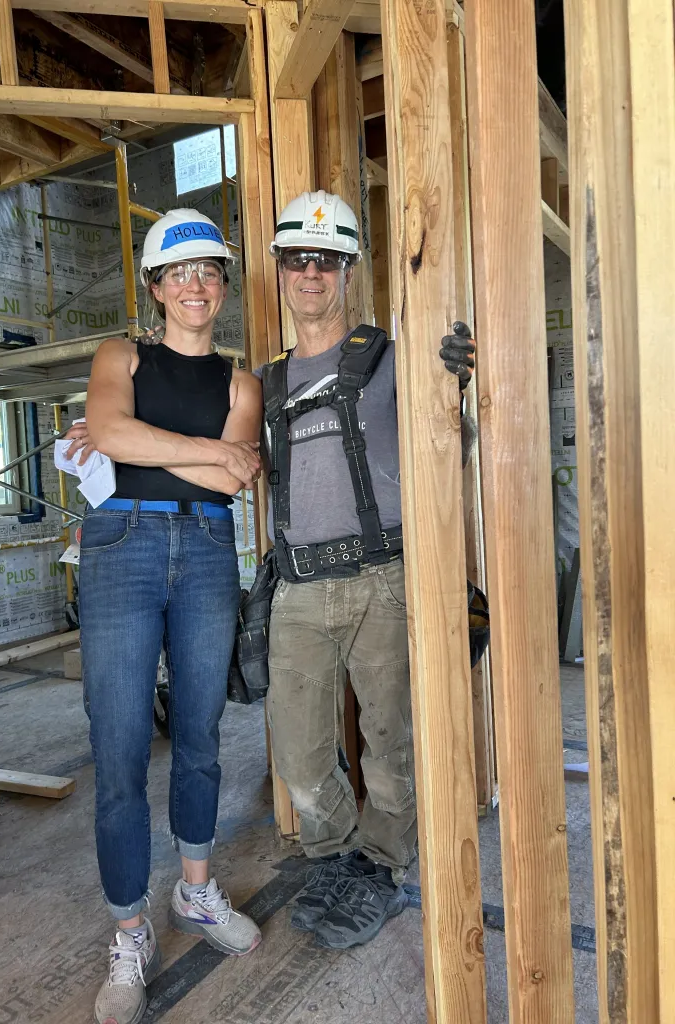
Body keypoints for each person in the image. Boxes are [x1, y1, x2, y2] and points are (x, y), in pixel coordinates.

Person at [261, 190, 476, 950]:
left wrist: (456, 383)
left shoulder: (391, 359)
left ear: (349, 269)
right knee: (299, 751)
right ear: (280, 268)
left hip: (382, 581)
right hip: (296, 590)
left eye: (327, 259)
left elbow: (455, 443)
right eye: (297, 258)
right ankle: (333, 855)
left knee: (390, 740)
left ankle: (382, 866)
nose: (311, 273)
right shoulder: (265, 381)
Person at [65, 208, 263, 1024]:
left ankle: (194, 891)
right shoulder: (121, 355)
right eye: (178, 272)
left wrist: (146, 446)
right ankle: (128, 931)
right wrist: (203, 448)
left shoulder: (242, 381)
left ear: (221, 289)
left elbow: (233, 478)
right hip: (122, 546)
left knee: (201, 730)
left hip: (210, 548)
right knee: (117, 742)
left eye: (208, 272)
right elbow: (106, 427)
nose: (194, 283)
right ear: (154, 286)